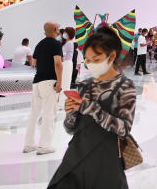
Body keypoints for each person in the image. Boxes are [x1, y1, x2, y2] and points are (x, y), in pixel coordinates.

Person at [47, 27, 135, 189]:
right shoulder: (84, 85)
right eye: (88, 60)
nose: (91, 64)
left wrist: (89, 107)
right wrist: (71, 113)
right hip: (76, 157)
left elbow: (124, 129)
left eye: (96, 59)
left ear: (112, 56)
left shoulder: (125, 87)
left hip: (106, 161)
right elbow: (71, 128)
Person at [24, 22, 63, 155]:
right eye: (58, 28)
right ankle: (44, 145)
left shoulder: (39, 44)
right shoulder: (56, 44)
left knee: (34, 114)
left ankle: (28, 144)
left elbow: (33, 62)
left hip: (37, 82)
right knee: (49, 113)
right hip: (49, 81)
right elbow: (58, 63)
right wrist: (60, 81)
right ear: (55, 30)